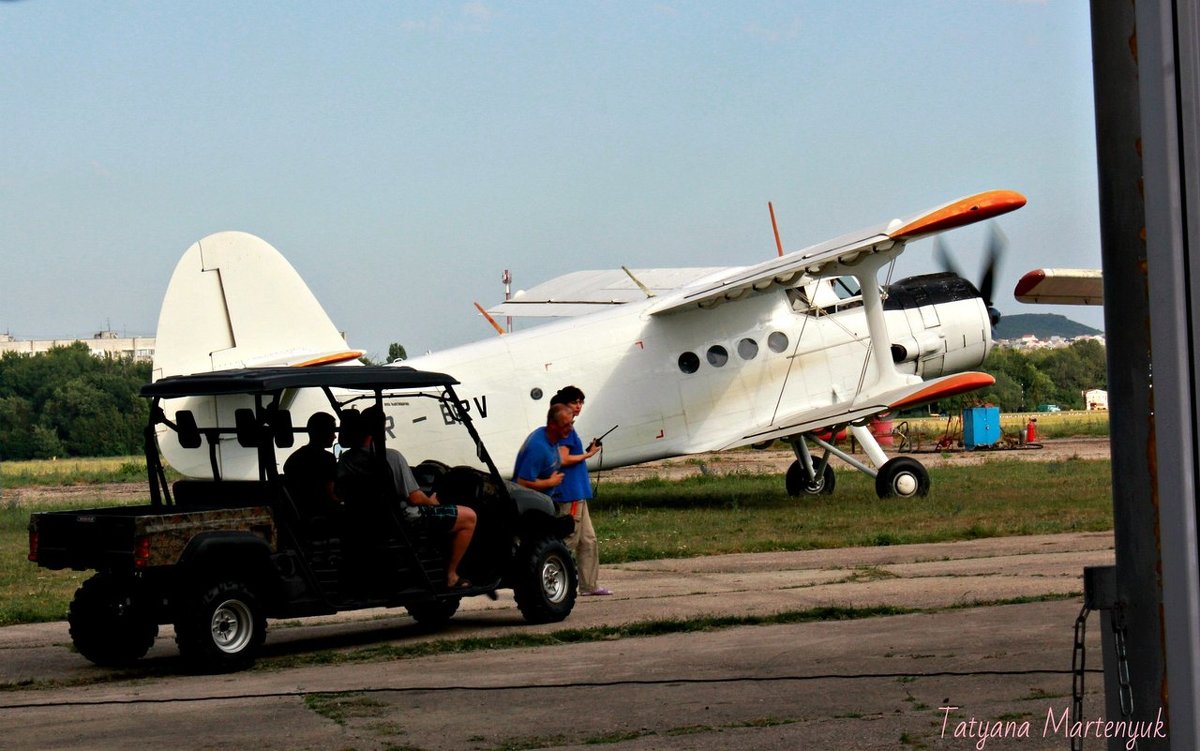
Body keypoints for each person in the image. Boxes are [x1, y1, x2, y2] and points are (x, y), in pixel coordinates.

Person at [338, 405, 477, 590]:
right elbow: (415, 498)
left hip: (368, 520)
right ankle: (451, 575)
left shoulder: (346, 460)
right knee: (469, 516)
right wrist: (432, 501)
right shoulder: (391, 457)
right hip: (403, 519)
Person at [550, 386, 609, 596]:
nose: (579, 406)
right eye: (575, 402)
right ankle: (549, 578)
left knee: (588, 540)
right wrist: (588, 455)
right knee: (570, 539)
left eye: (581, 402)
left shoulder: (568, 428)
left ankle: (589, 586)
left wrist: (584, 452)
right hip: (570, 493)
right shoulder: (564, 428)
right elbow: (563, 458)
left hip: (578, 492)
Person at [283, 412, 341, 523]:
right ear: (323, 433)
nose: (335, 436)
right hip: (320, 518)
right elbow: (329, 496)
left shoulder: (294, 458)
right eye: (332, 431)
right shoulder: (327, 459)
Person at [513, 403, 573, 498]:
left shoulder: (552, 437)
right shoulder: (538, 448)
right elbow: (522, 482)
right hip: (530, 505)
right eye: (565, 425)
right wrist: (550, 482)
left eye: (572, 423)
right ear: (553, 424)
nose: (571, 429)